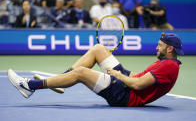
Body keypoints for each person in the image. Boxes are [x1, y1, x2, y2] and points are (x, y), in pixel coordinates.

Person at [7, 33, 184, 107]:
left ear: (170, 49)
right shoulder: (166, 62)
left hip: (125, 96)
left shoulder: (168, 66)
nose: (156, 48)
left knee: (81, 73)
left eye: (160, 46)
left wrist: (117, 74)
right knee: (98, 49)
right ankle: (61, 81)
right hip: (127, 84)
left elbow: (137, 85)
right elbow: (139, 78)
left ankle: (30, 86)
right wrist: (122, 72)